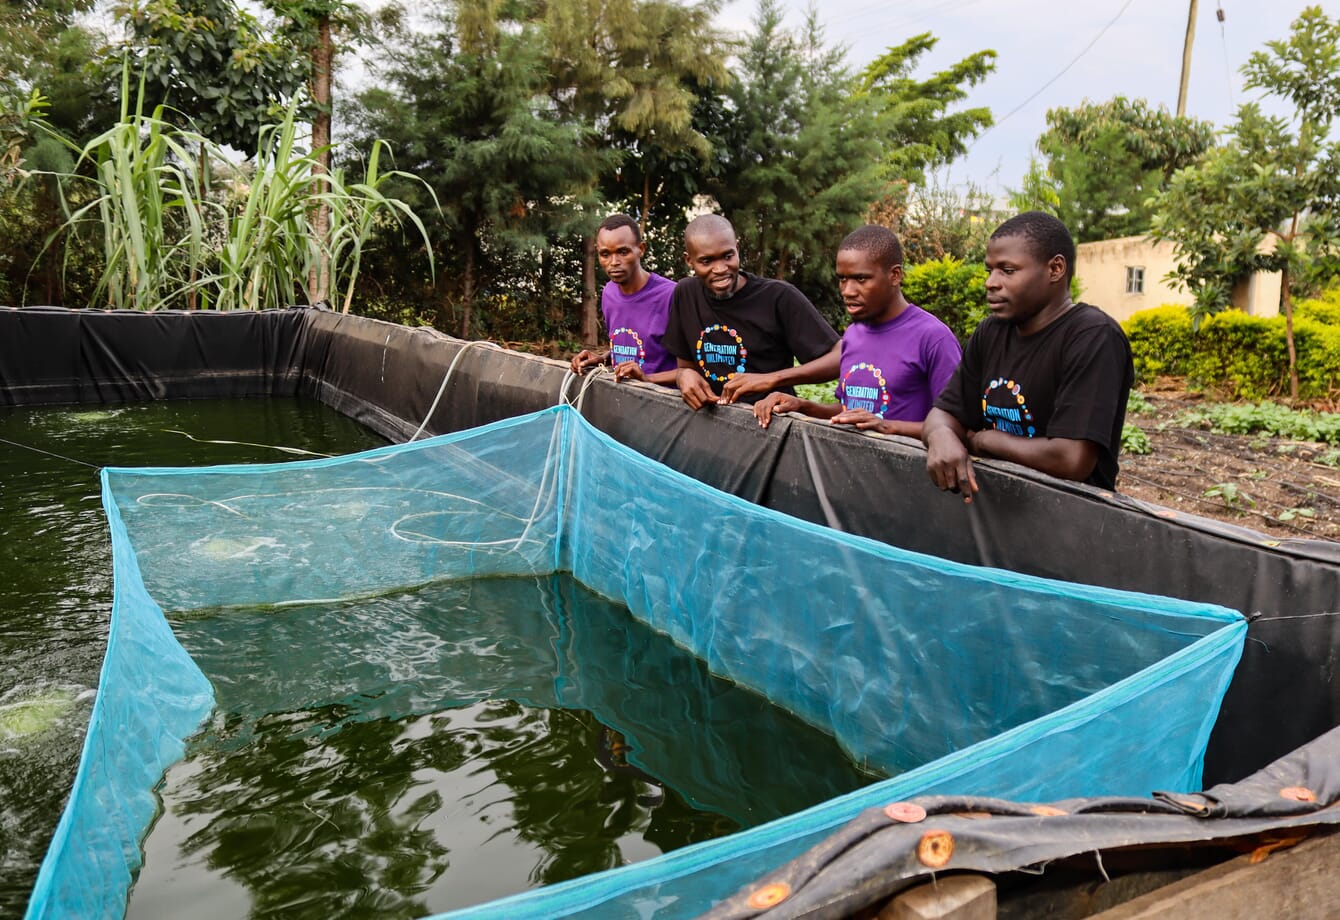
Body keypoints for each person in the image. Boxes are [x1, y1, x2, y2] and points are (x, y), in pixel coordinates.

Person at [923, 211, 1134, 499]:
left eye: (1007, 271)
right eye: (990, 271)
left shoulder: (1093, 336)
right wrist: (941, 436)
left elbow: (1071, 459)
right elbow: (943, 414)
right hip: (995, 511)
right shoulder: (991, 332)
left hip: (1070, 518)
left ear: (1055, 269)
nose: (991, 282)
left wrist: (986, 440)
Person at [751, 225, 961, 437]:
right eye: (843, 278)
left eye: (861, 279)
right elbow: (850, 413)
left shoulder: (933, 338)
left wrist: (886, 426)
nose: (848, 291)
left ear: (895, 275)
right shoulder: (853, 335)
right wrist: (803, 405)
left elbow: (955, 427)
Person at [660, 214, 841, 410]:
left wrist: (771, 379)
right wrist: (683, 375)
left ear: (737, 250)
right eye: (706, 261)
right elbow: (686, 366)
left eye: (728, 256)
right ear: (689, 261)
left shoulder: (778, 297)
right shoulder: (686, 294)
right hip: (709, 420)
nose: (720, 268)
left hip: (769, 422)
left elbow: (840, 356)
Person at [569, 214, 678, 385]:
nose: (614, 262)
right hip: (622, 401)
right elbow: (633, 351)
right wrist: (602, 359)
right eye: (605, 254)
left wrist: (647, 378)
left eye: (623, 252)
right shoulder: (608, 293)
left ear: (640, 249)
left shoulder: (671, 296)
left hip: (664, 404)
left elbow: (695, 369)